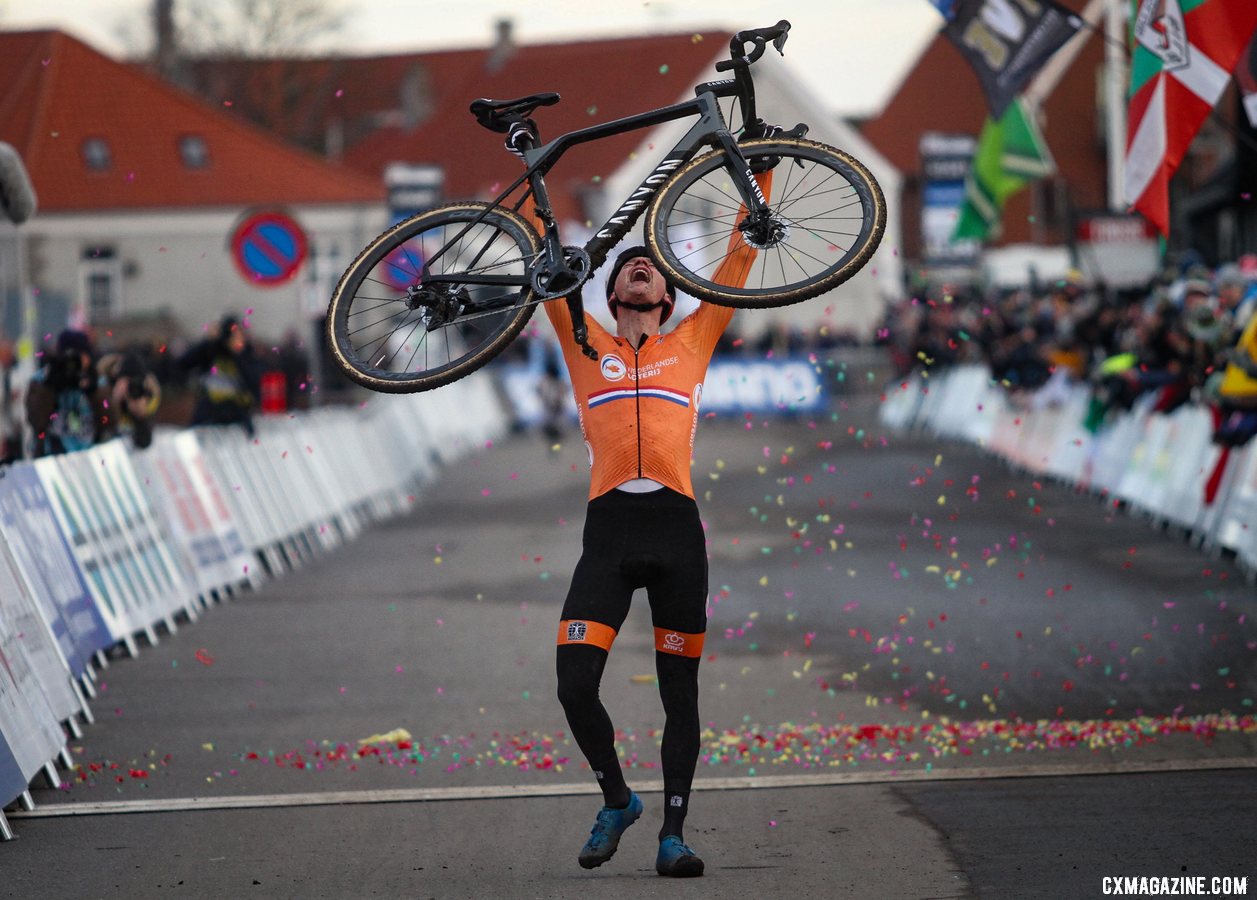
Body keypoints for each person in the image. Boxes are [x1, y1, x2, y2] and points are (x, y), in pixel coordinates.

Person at [543, 186, 768, 879]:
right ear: (610, 293)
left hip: (676, 534)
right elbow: (539, 251)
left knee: (680, 695)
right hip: (608, 534)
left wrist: (753, 182)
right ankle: (617, 799)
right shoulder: (583, 343)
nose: (640, 266)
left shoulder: (691, 341)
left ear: (669, 297)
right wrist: (527, 164)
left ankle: (674, 834)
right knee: (574, 685)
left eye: (652, 266)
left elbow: (737, 261)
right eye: (628, 265)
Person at [25, 329, 102, 457]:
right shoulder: (42, 379)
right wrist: (51, 384)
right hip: (52, 456)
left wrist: (92, 388)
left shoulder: (95, 380)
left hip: (88, 456)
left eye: (80, 357)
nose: (75, 363)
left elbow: (107, 420)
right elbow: (37, 421)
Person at [179, 315, 260, 434]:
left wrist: (237, 354)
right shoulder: (212, 351)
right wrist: (208, 342)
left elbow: (253, 383)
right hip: (209, 412)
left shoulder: (246, 355)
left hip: (237, 416)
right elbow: (183, 364)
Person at [96, 350, 160, 449]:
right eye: (127, 380)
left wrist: (141, 415)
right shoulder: (104, 381)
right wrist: (113, 401)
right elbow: (102, 420)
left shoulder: (148, 390)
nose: (130, 386)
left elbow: (144, 441)